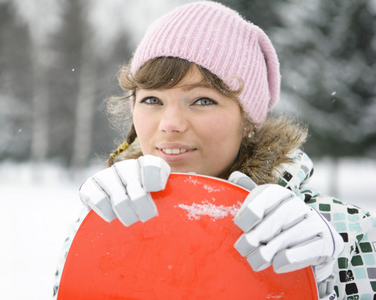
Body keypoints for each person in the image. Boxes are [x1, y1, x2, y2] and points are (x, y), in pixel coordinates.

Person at [53, 2, 376, 299]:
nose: (171, 123)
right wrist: (97, 238)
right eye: (152, 99)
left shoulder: (346, 234)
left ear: (248, 119)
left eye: (202, 100)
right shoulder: (104, 222)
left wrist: (328, 283)